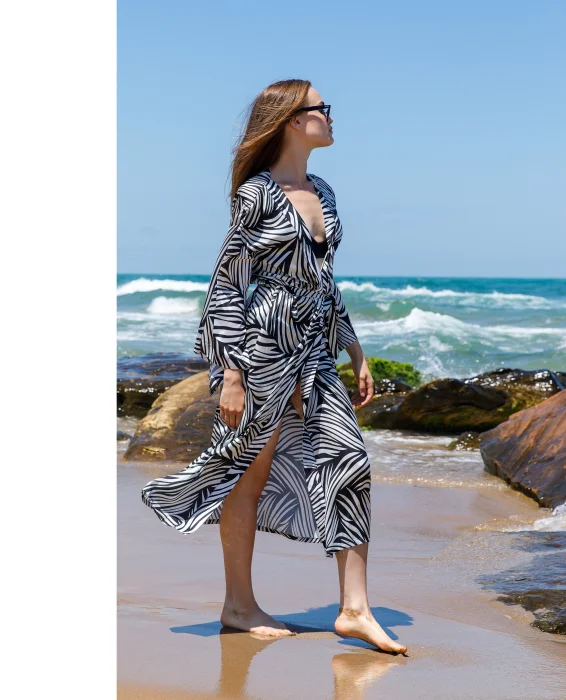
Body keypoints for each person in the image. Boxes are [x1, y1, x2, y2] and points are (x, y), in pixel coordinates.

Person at [142, 79, 408, 655]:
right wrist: (232, 372)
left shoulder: (325, 192)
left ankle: (354, 609)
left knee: (350, 460)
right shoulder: (257, 195)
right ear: (292, 119)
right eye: (321, 109)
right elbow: (226, 284)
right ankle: (238, 605)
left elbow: (323, 281)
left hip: (314, 351)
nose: (330, 117)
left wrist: (354, 347)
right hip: (261, 347)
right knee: (248, 471)